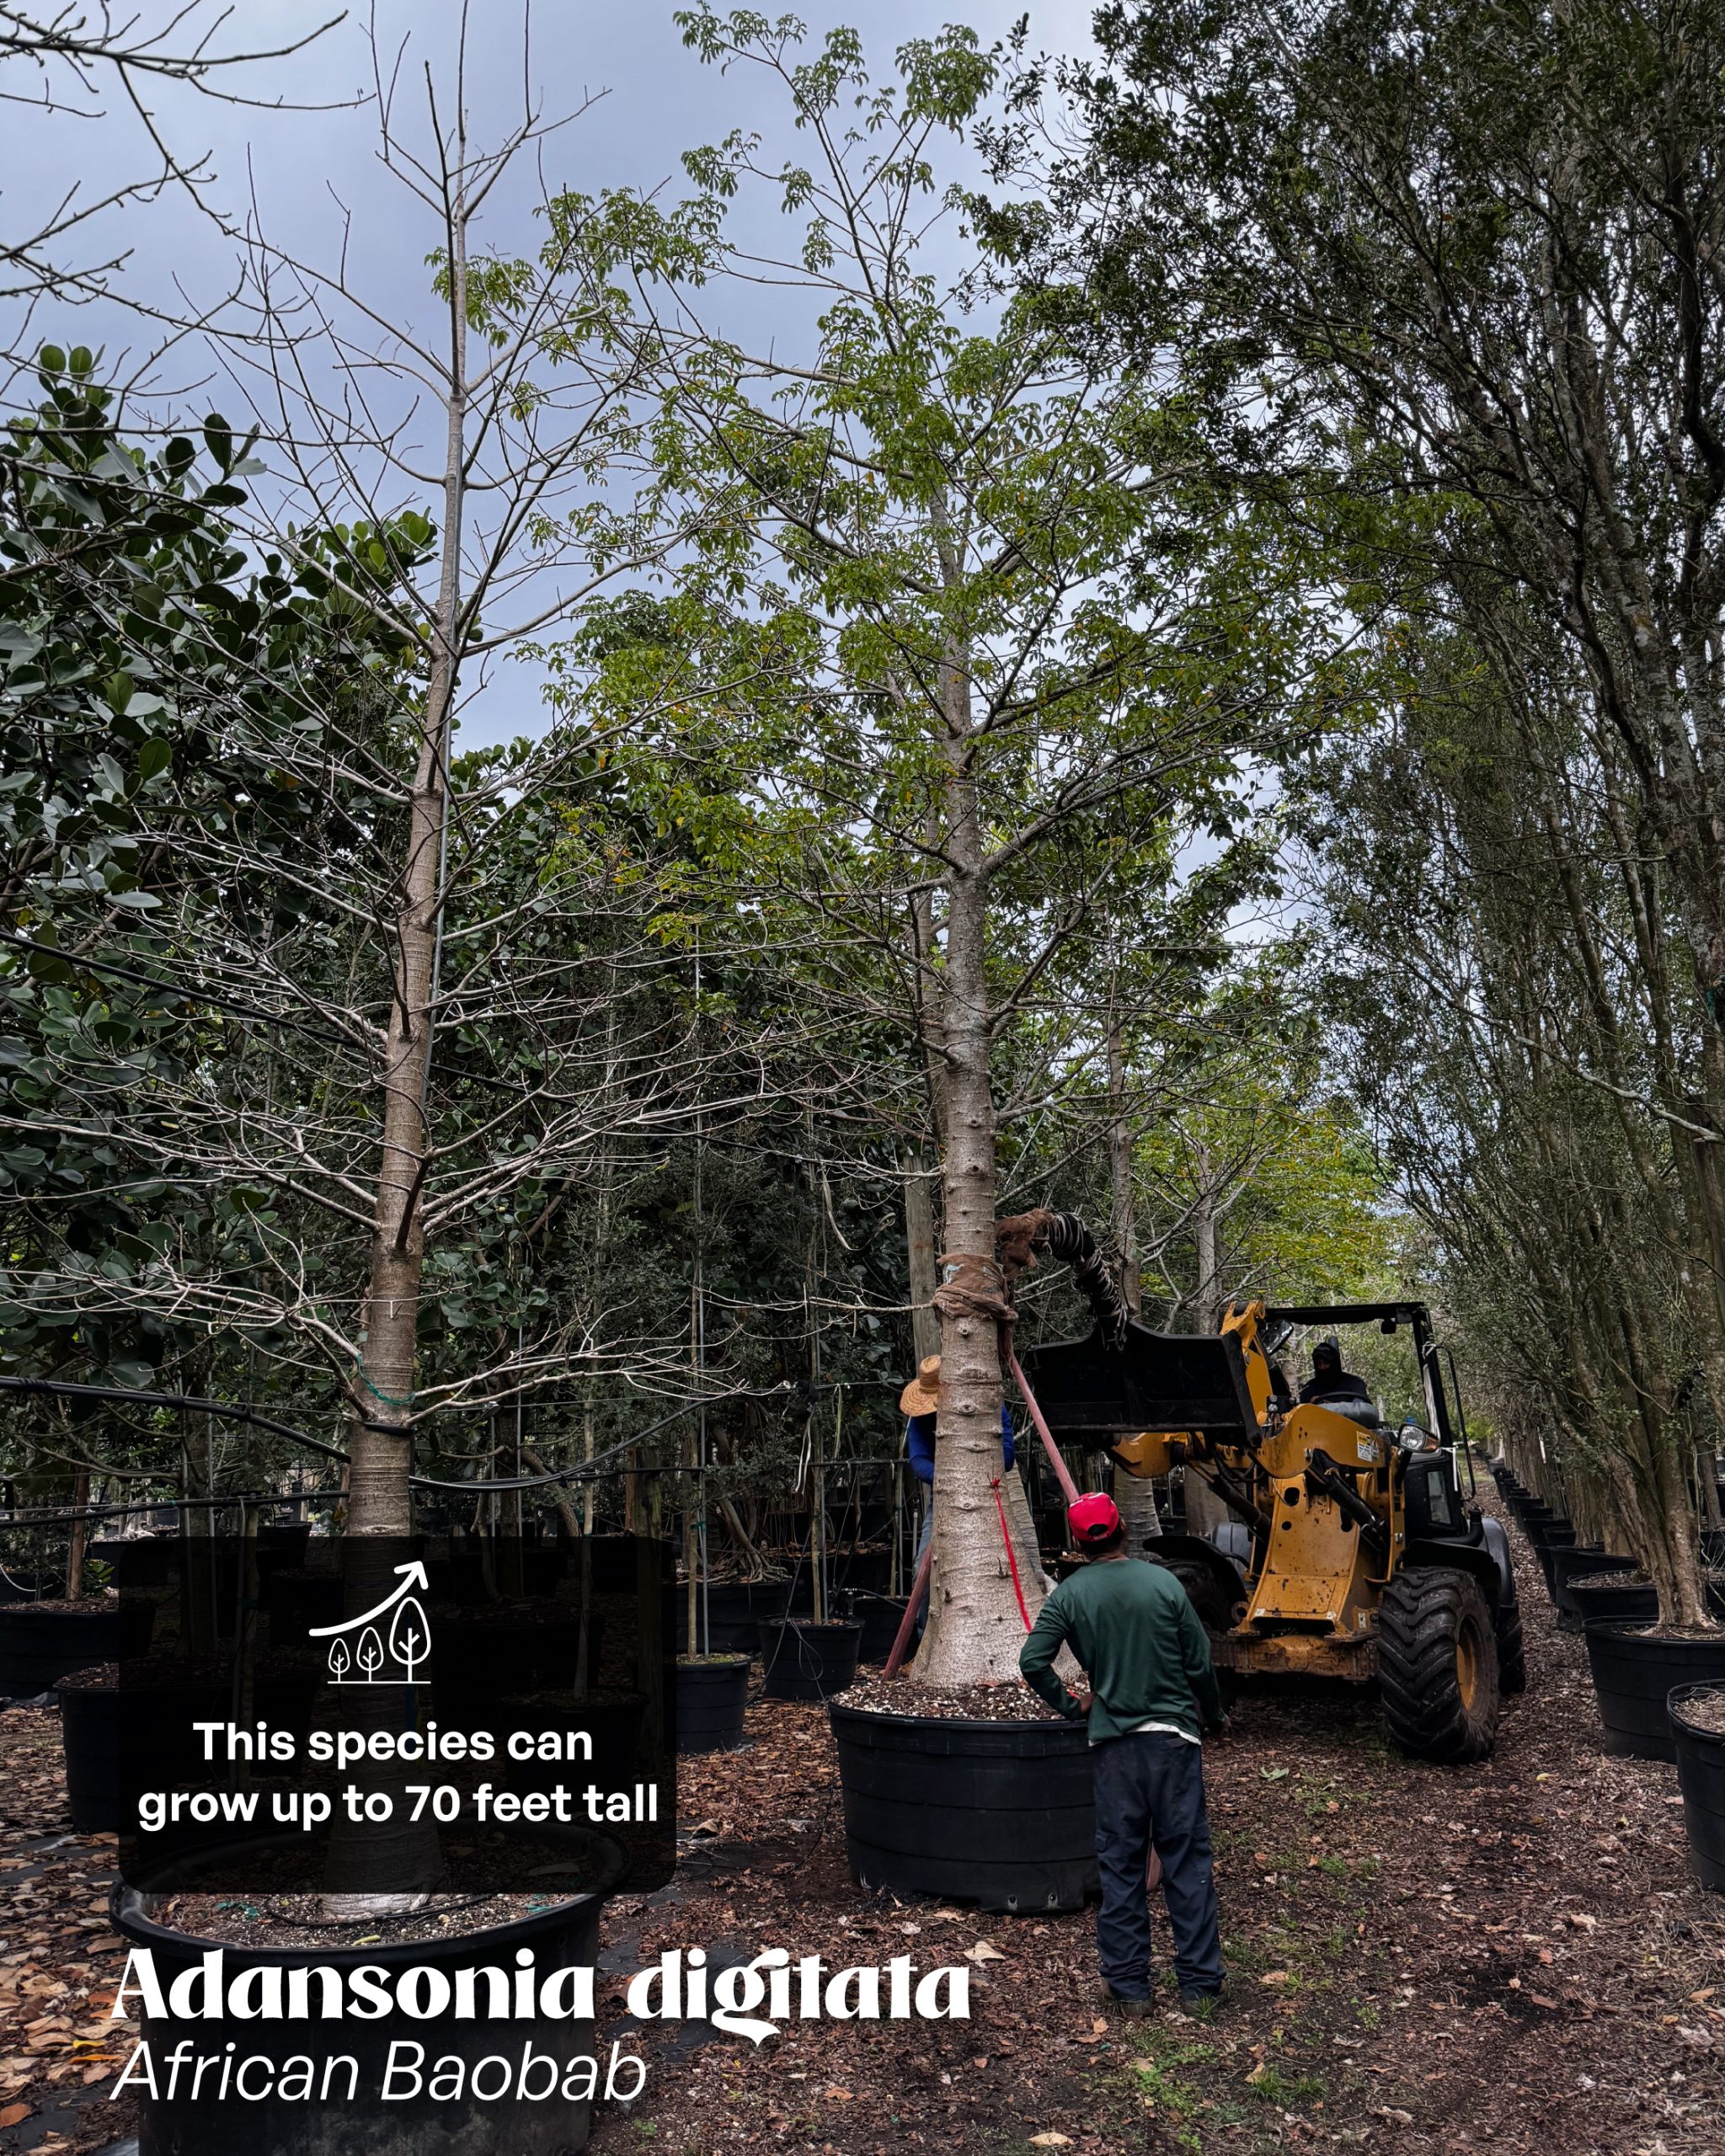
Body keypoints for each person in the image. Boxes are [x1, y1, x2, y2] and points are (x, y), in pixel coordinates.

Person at [1019, 1492, 1226, 2017]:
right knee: (1186, 1861)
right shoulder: (1163, 1584)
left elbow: (1033, 1661)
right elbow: (1199, 1661)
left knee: (1122, 1864)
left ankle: (1130, 1986)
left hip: (1115, 1748)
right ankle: (1200, 1985)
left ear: (1077, 1543)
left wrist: (1073, 1705)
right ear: (1123, 1532)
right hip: (1173, 1743)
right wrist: (1213, 1714)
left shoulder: (1069, 1595)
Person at [900, 1353, 1015, 1635]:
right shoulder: (921, 1418)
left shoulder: (989, 1405)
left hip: (989, 1499)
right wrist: (952, 1477)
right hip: (942, 1500)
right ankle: (926, 1640)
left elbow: (1007, 1455)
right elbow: (918, 1460)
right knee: (923, 1572)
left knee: (1001, 1571)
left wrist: (973, 1473)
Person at [1297, 1336, 1370, 1405]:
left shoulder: (1354, 1384)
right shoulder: (1309, 1389)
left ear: (1334, 1363)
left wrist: (1327, 1405)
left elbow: (1360, 1408)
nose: (1322, 1367)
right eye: (1319, 1364)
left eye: (1326, 1363)